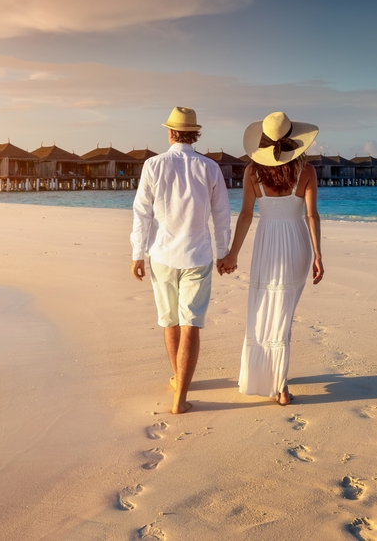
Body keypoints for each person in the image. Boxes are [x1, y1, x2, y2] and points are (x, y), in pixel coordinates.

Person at [217, 111, 324, 406]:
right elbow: (311, 215)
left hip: (267, 245)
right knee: (283, 314)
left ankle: (274, 379)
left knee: (266, 309)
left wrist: (232, 254)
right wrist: (317, 255)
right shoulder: (308, 172)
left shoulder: (252, 172)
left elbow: (247, 216)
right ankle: (280, 384)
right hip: (296, 243)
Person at [131, 106, 232, 414]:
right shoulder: (210, 167)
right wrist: (223, 252)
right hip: (198, 255)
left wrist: (137, 253)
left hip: (161, 255)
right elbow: (222, 215)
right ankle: (180, 398)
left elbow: (142, 213)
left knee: (170, 322)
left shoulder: (153, 165)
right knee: (191, 325)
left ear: (171, 132)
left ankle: (177, 378)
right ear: (194, 134)